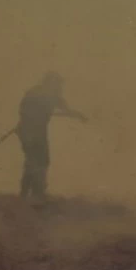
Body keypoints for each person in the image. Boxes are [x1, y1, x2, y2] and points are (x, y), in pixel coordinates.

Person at [17, 72, 86, 203]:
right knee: (36, 160)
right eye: (58, 84)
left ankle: (31, 193)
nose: (60, 88)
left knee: (38, 161)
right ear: (50, 83)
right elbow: (23, 110)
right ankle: (33, 193)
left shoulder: (51, 96)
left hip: (36, 131)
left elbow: (66, 110)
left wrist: (78, 115)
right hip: (29, 130)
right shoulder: (36, 93)